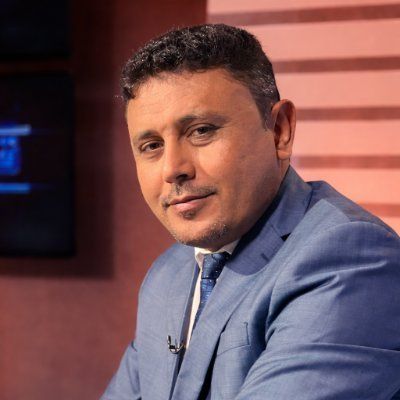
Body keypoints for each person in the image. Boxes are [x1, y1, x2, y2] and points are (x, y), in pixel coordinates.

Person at [101, 24, 400, 400]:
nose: (172, 168)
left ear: (279, 130)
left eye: (201, 131)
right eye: (151, 145)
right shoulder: (167, 275)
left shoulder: (350, 258)